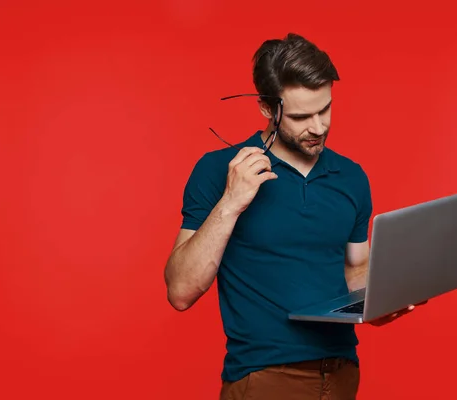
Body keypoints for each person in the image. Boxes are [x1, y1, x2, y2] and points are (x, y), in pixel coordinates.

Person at [164, 33, 421, 400]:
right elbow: (180, 291)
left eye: (325, 109)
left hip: (343, 373)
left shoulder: (351, 177)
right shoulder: (218, 169)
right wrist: (231, 201)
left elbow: (355, 269)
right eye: (302, 116)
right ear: (267, 109)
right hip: (264, 378)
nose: (318, 127)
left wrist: (380, 303)